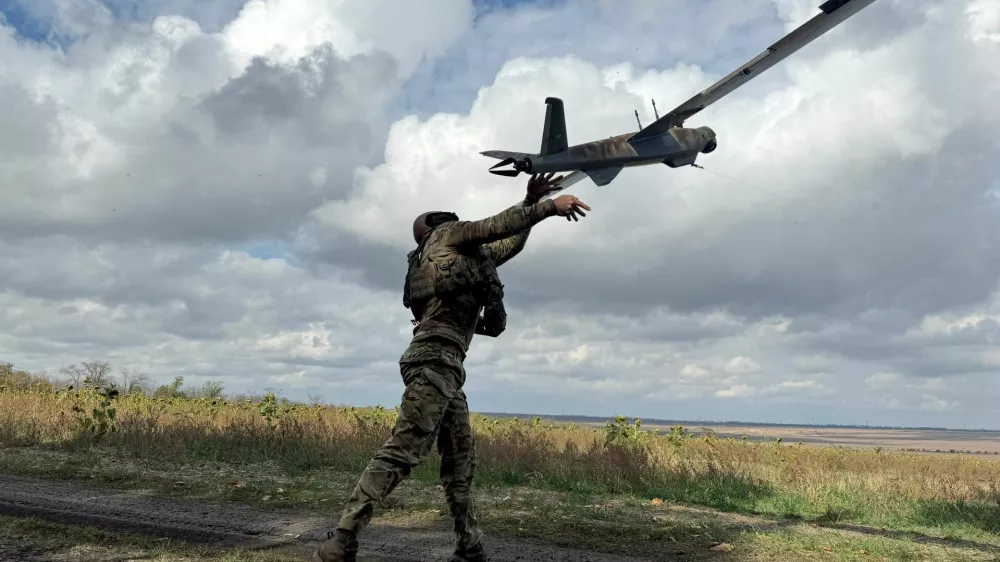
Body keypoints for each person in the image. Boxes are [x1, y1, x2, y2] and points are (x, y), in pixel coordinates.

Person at [313, 173, 591, 562]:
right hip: (435, 363)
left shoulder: (454, 259)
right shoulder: (446, 236)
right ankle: (342, 539)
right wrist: (547, 208)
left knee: (460, 462)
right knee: (403, 450)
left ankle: (469, 547)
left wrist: (529, 203)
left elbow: (508, 242)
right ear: (434, 228)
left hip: (445, 368)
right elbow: (495, 227)